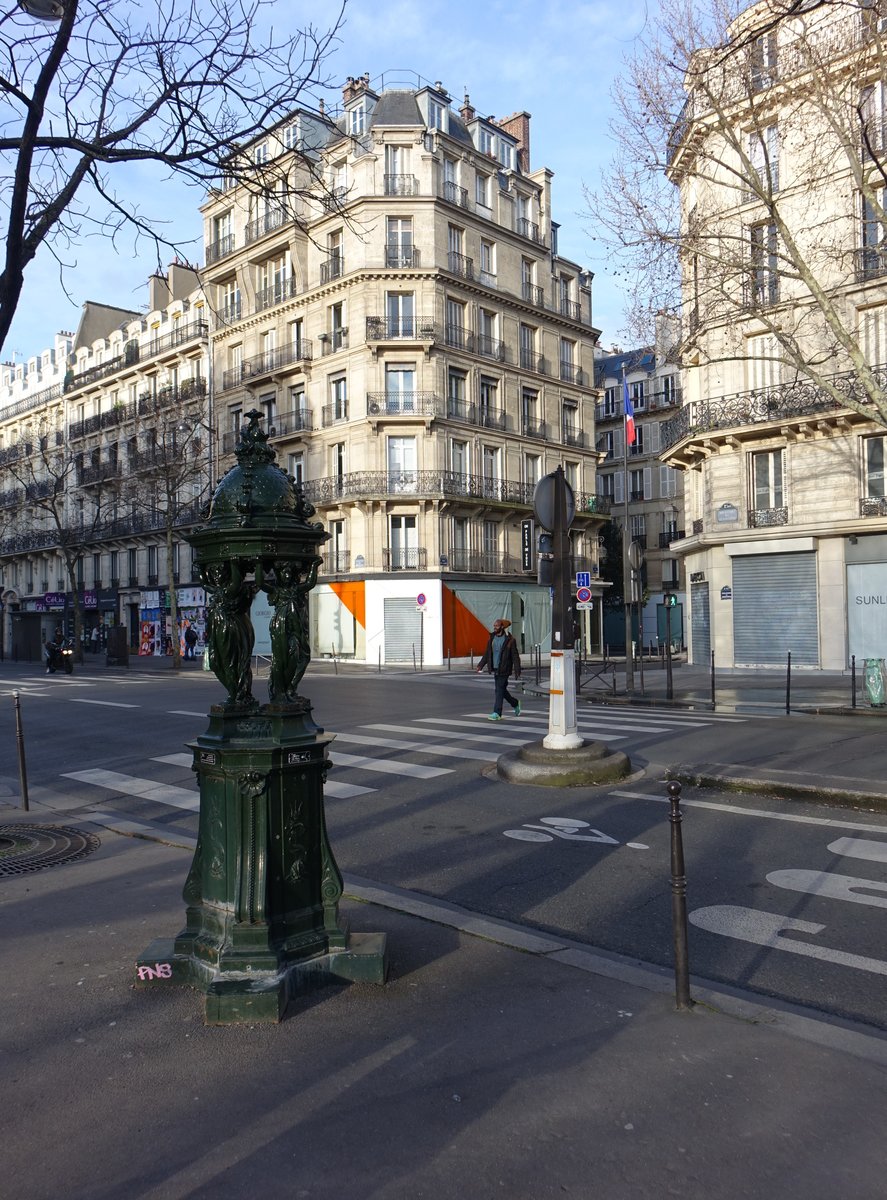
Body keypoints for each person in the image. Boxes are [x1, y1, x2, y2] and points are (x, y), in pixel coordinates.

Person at [476, 618, 522, 721]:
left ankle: (497, 712)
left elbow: (515, 655)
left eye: (496, 626)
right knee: (501, 690)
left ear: (502, 627)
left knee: (499, 690)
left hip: (505, 668)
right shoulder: (492, 638)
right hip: (495, 668)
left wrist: (517, 669)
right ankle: (515, 703)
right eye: (494, 626)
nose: (494, 627)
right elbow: (488, 653)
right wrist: (481, 665)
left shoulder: (510, 640)